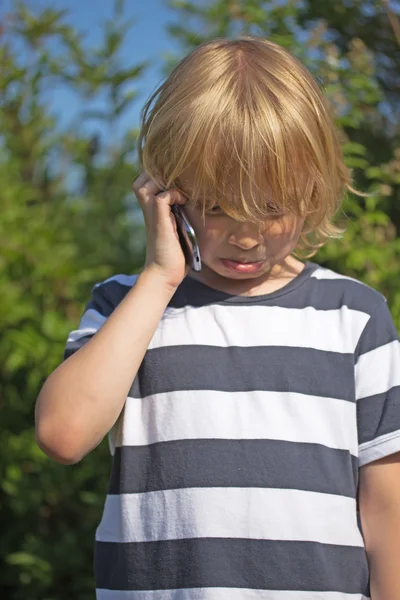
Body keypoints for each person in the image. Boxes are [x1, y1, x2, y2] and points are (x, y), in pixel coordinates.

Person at [34, 37, 400, 600]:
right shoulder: (128, 306)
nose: (247, 235)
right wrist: (159, 277)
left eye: (272, 208)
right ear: (165, 193)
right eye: (216, 206)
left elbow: (387, 505)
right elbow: (63, 434)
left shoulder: (354, 315)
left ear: (313, 191)